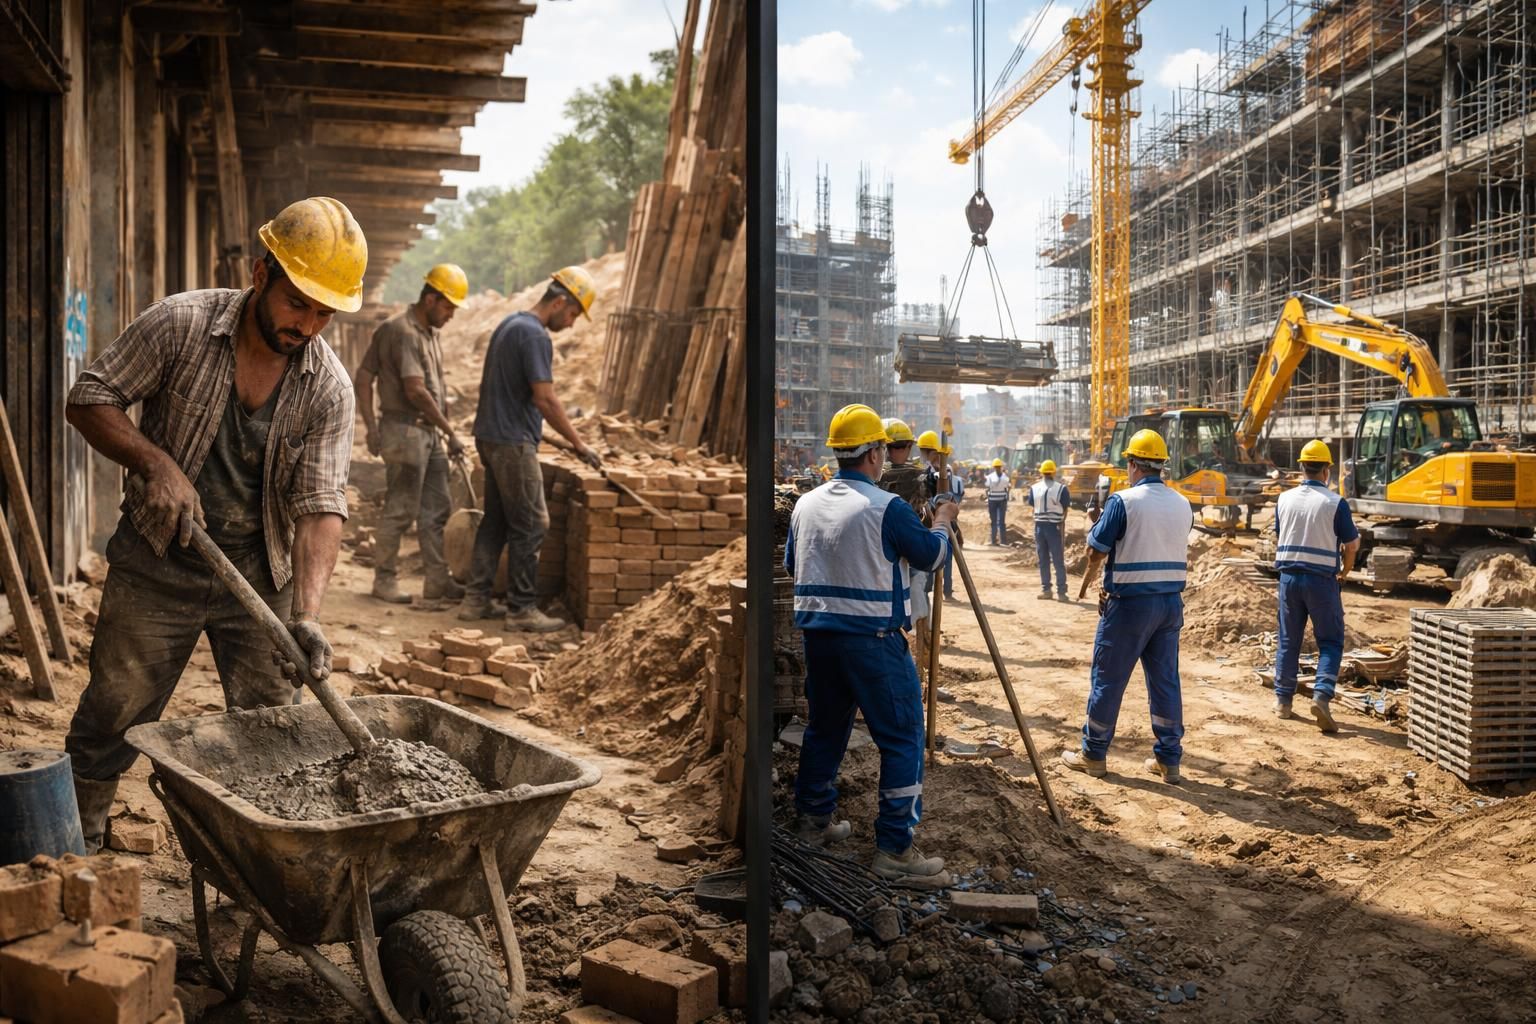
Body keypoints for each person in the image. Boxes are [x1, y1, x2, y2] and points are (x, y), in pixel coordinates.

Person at [63, 196, 363, 850]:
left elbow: (320, 509)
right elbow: (89, 399)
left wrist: (306, 614)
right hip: (156, 563)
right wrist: (154, 462)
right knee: (114, 708)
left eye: (324, 313)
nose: (308, 326)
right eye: (296, 303)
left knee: (272, 735)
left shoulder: (328, 388)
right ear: (261, 274)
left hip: (261, 577)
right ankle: (75, 844)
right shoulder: (179, 325)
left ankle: (259, 872)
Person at [786, 405, 958, 883]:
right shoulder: (887, 508)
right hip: (874, 641)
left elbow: (791, 565)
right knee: (903, 737)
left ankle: (813, 821)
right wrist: (942, 518)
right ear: (876, 453)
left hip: (819, 639)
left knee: (824, 728)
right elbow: (932, 555)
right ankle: (895, 849)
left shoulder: (805, 504)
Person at [459, 266, 602, 632]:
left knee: (496, 520)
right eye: (572, 315)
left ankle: (475, 601)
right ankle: (521, 609)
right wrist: (579, 443)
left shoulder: (510, 324)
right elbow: (546, 399)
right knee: (534, 523)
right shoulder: (535, 335)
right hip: (511, 443)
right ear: (558, 302)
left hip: (489, 436)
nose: (571, 324)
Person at [1061, 429, 1193, 785]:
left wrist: (1099, 530)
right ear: (1161, 466)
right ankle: (1169, 760)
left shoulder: (1123, 501)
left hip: (1130, 605)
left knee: (1108, 679)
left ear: (1133, 464)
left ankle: (1093, 754)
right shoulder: (1183, 504)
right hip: (1169, 605)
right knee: (1165, 681)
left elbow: (1096, 551)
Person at [354, 263, 470, 605]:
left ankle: (437, 580)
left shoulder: (430, 333)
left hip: (427, 434)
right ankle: (384, 579)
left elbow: (366, 376)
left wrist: (442, 432)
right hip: (404, 433)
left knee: (437, 508)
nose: (451, 315)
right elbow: (415, 391)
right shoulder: (401, 331)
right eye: (448, 307)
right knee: (401, 507)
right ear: (431, 299)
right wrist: (372, 427)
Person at [1272, 440, 1360, 732]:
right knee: (1331, 641)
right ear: (1326, 470)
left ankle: (1283, 702)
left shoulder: (1283, 499)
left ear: (1301, 467)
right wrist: (1344, 572)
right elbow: (1352, 544)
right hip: (1322, 580)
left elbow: (1279, 533)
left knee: (1288, 640)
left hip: (1288, 579)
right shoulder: (1335, 503)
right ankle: (1321, 696)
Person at [917, 431, 963, 600]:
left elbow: (950, 498)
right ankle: (928, 588)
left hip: (943, 519)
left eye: (925, 451)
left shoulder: (944, 473)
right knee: (930, 556)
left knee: (946, 555)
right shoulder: (923, 471)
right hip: (929, 520)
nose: (922, 455)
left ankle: (947, 590)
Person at [1029, 459, 1072, 600]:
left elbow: (1032, 505)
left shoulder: (1034, 488)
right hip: (1054, 527)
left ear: (1041, 472)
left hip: (1039, 526)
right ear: (1054, 472)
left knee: (1043, 559)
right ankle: (1061, 592)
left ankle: (1046, 589)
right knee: (1058, 559)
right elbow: (1065, 508)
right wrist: (1061, 521)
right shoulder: (1061, 488)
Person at [984, 457, 1011, 545]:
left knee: (994, 521)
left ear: (994, 467)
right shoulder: (1005, 477)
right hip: (1002, 500)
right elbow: (1008, 487)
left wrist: (988, 495)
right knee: (1002, 521)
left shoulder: (990, 477)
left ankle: (993, 541)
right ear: (1001, 467)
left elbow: (987, 488)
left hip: (992, 500)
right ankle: (1003, 541)